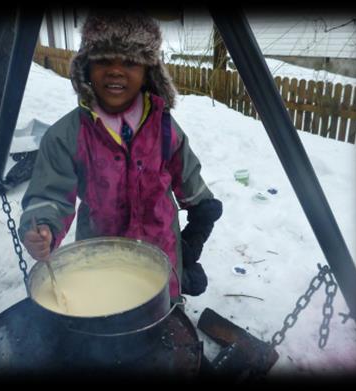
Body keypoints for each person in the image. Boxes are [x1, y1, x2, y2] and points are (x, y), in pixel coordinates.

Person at [19, 11, 222, 299]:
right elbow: (50, 193)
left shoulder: (163, 126)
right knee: (111, 316)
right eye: (103, 60)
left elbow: (186, 173)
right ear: (86, 68)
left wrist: (200, 218)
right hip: (103, 256)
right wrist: (43, 227)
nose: (115, 71)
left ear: (147, 71)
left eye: (129, 62)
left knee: (163, 315)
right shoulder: (68, 135)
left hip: (160, 248)